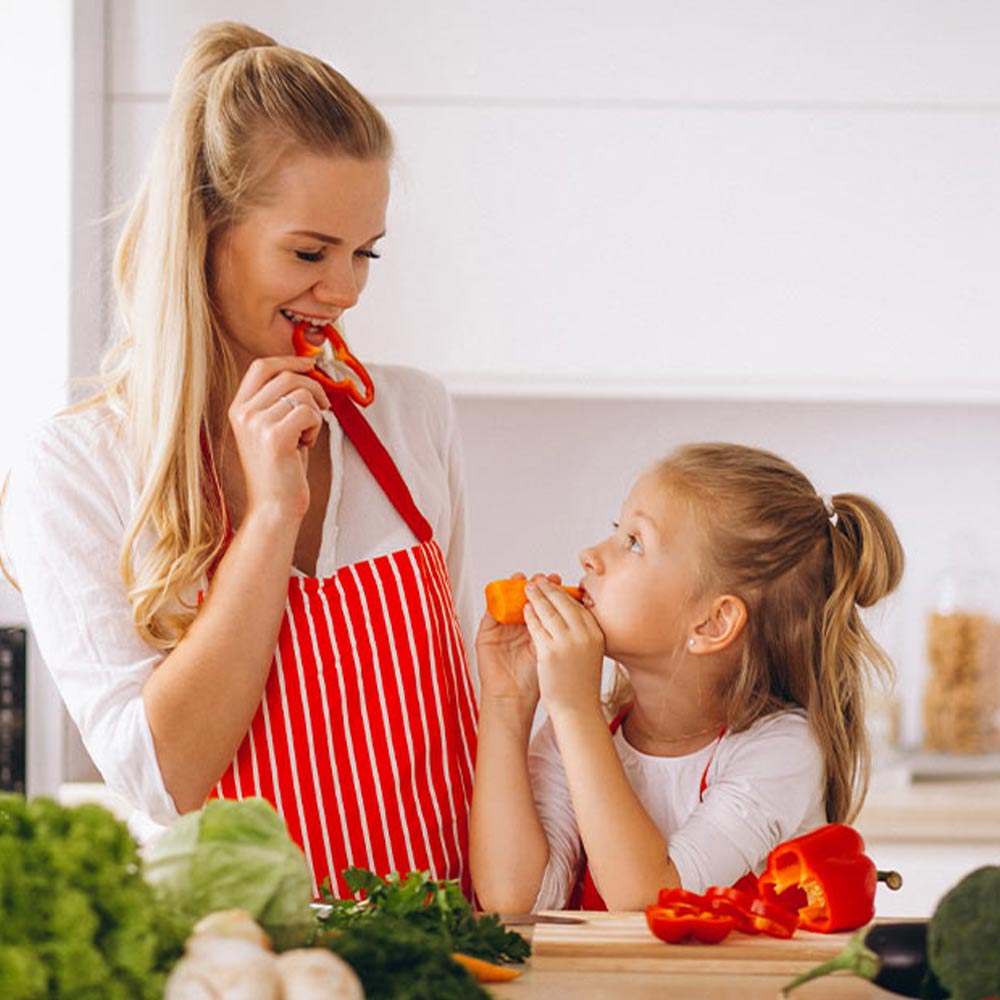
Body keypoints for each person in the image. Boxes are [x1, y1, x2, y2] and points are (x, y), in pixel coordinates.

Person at [0, 22, 477, 899]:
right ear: (203, 230)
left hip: (448, 946)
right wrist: (268, 517)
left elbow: (461, 720)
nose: (345, 291)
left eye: (364, 251)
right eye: (309, 252)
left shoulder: (410, 416)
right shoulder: (73, 468)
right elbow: (167, 776)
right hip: (236, 963)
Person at [470, 442, 904, 912]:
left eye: (634, 542)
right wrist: (506, 704)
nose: (590, 556)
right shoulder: (582, 729)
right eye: (616, 531)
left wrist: (574, 709)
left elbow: (650, 901)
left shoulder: (781, 751)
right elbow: (513, 900)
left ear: (712, 623)